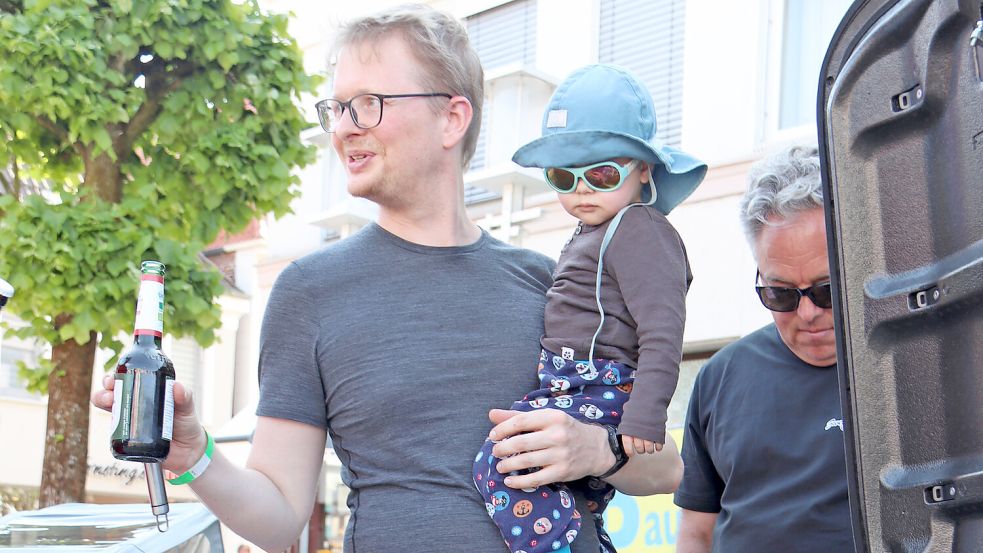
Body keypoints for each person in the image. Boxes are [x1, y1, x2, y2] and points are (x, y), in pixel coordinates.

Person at [92, 5, 683, 553]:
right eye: (338, 108)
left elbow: (666, 467)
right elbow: (278, 519)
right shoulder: (310, 292)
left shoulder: (551, 283)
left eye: (369, 102)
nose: (344, 128)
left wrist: (595, 449)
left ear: (452, 117)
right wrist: (193, 454)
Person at [473, 64, 706, 553]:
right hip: (573, 381)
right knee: (550, 478)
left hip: (600, 383)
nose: (581, 189)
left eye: (601, 173)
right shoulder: (595, 229)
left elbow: (663, 331)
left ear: (644, 169)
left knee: (504, 461)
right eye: (563, 176)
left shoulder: (639, 227)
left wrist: (644, 415)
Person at [672, 145, 853, 552]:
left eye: (826, 290)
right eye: (781, 294)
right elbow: (698, 532)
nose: (806, 312)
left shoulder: (915, 361)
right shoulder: (719, 378)